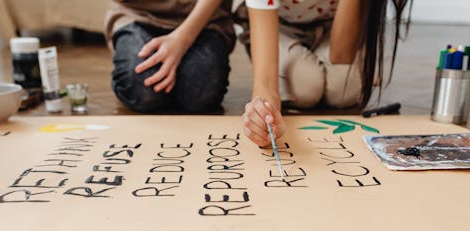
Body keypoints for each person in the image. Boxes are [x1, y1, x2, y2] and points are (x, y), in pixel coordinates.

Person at [237, 0, 412, 146]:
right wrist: (264, 117)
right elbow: (265, 83)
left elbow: (340, 55)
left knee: (344, 88)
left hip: (332, 24)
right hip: (277, 25)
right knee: (306, 86)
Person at [105, 0, 235, 113]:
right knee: (141, 91)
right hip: (138, 15)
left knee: (201, 95)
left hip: (206, 20)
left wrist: (182, 39)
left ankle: (177, 82)